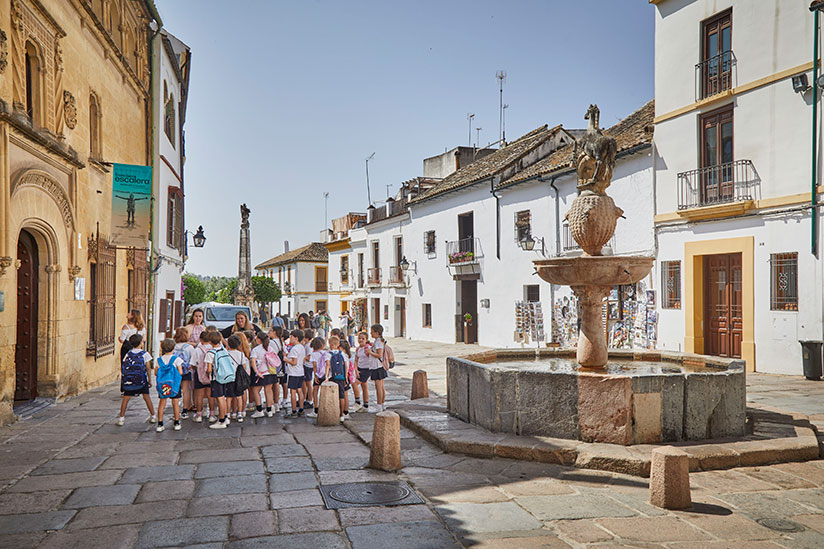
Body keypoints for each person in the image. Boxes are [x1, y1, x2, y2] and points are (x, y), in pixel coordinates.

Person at [117, 333, 155, 426]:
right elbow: (148, 368)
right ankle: (153, 416)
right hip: (141, 379)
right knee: (146, 397)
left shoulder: (128, 353)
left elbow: (124, 365)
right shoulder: (145, 354)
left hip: (129, 380)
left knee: (126, 398)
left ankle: (121, 418)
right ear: (141, 343)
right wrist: (149, 380)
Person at [205, 331, 234, 429]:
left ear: (209, 341)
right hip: (226, 376)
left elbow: (209, 369)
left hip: (216, 378)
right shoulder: (224, 350)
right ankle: (225, 417)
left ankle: (221, 421)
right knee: (224, 398)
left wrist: (206, 373)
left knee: (220, 398)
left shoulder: (210, 353)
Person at [155, 338, 184, 432]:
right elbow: (180, 372)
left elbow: (156, 372)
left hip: (163, 385)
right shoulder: (177, 359)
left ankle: (160, 424)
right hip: (174, 385)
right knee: (175, 403)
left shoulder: (159, 360)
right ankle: (176, 422)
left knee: (162, 403)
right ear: (174, 348)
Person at [249, 331, 278, 418]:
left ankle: (259, 410)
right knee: (268, 391)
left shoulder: (255, 350)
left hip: (261, 372)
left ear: (259, 340)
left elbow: (253, 362)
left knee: (255, 391)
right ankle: (269, 410)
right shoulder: (270, 348)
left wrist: (256, 371)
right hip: (270, 372)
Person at [226, 335, 250, 423]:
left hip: (229, 378)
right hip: (239, 378)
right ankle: (239, 413)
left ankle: (228, 413)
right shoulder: (241, 354)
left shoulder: (226, 354)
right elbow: (244, 366)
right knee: (239, 397)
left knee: (229, 397)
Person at [190, 330, 212, 423]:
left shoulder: (197, 350)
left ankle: (199, 414)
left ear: (200, 339)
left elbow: (192, 364)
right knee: (210, 395)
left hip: (199, 375)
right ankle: (211, 414)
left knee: (199, 395)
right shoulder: (212, 349)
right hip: (211, 375)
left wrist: (197, 369)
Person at [173, 328, 195, 419]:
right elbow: (193, 359)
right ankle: (185, 410)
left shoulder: (173, 346)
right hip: (186, 371)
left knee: (176, 391)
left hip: (175, 371)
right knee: (186, 391)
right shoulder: (189, 347)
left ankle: (176, 411)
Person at [284, 329, 306, 418]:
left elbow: (294, 362)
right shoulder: (301, 347)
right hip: (300, 371)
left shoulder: (294, 349)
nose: (290, 339)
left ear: (296, 338)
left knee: (292, 392)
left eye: (291, 337)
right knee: (299, 390)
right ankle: (301, 409)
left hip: (294, 372)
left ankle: (294, 411)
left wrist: (286, 359)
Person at [327, 335, 350, 422]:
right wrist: (346, 378)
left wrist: (326, 377)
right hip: (341, 377)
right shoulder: (343, 354)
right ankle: (342, 414)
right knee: (342, 396)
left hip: (332, 377)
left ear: (330, 344)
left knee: (332, 396)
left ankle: (333, 412)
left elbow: (327, 366)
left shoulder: (329, 354)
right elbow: (346, 367)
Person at [368, 324, 389, 412]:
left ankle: (379, 405)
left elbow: (379, 355)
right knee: (381, 387)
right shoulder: (378, 341)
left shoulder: (378, 342)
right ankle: (382, 404)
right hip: (378, 366)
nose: (371, 333)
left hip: (377, 366)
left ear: (377, 333)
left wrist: (370, 352)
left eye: (372, 332)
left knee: (379, 387)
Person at [307, 337, 329, 418]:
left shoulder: (313, 354)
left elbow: (315, 366)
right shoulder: (326, 353)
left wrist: (315, 376)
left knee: (315, 392)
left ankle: (316, 409)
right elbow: (328, 364)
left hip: (318, 375)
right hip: (325, 375)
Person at [354, 331, 373, 413]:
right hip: (360, 368)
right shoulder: (358, 349)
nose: (360, 340)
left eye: (363, 338)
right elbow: (356, 359)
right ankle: (365, 404)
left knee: (354, 383)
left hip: (367, 369)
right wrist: (356, 369)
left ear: (366, 339)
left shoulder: (367, 348)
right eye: (359, 338)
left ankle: (357, 401)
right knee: (364, 386)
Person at [340, 338, 360, 411]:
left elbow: (345, 368)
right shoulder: (347, 356)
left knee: (344, 396)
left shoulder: (343, 356)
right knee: (345, 395)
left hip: (344, 377)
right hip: (346, 377)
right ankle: (345, 411)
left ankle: (344, 411)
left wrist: (345, 378)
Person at [302, 329, 315, 411]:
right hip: (307, 366)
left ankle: (310, 400)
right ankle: (307, 399)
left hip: (308, 366)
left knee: (308, 383)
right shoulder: (307, 344)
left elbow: (309, 356)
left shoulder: (308, 345)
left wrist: (303, 358)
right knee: (307, 383)